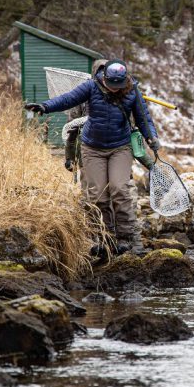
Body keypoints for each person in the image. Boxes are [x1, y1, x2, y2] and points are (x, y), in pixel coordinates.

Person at [26, 59, 158, 254]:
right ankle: (106, 239)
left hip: (120, 147)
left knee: (119, 189)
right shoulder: (91, 86)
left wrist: (151, 137)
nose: (114, 89)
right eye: (110, 85)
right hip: (92, 148)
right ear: (103, 77)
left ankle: (126, 239)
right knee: (97, 196)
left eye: (117, 86)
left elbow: (143, 118)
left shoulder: (132, 90)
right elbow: (67, 99)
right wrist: (45, 106)